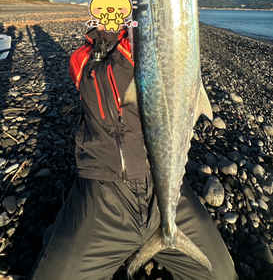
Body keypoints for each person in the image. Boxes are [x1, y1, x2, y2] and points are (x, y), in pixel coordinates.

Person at [29, 18, 238, 280]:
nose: (111, 16)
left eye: (120, 9)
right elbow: (103, 78)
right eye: (103, 9)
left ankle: (163, 234)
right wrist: (118, 40)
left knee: (221, 274)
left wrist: (141, 35)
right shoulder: (82, 59)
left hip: (164, 187)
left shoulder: (143, 49)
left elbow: (166, 49)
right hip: (103, 199)